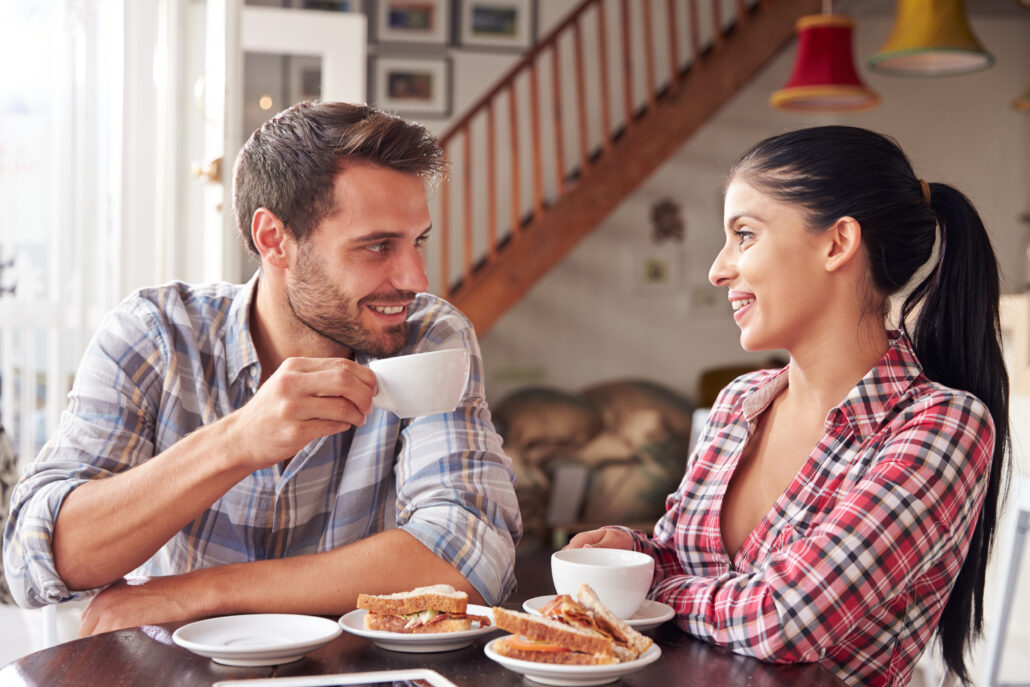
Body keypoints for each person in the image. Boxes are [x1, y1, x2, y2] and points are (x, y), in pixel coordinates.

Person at [2, 101, 522, 636]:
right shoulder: (155, 335)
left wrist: (204, 593)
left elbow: (468, 554)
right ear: (274, 239)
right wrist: (236, 442)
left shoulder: (428, 337)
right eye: (377, 246)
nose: (416, 277)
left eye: (418, 241)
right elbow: (35, 560)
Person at [567, 126, 1008, 687]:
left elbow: (784, 618)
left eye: (744, 235)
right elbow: (679, 556)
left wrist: (646, 589)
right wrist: (632, 553)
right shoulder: (739, 405)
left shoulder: (942, 426)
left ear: (837, 243)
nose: (718, 269)